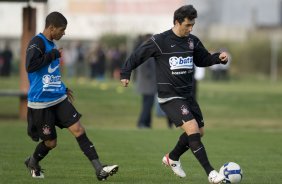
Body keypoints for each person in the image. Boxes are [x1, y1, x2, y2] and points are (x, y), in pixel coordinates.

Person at [120, 5, 229, 183]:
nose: (191, 28)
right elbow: (137, 56)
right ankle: (211, 173)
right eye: (187, 25)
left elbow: (202, 60)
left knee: (199, 132)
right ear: (177, 22)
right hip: (169, 96)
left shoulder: (192, 41)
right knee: (192, 129)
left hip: (187, 95)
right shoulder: (159, 41)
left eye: (193, 24)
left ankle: (172, 157)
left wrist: (218, 58)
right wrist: (125, 73)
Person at [24, 12, 118, 181]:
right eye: (62, 29)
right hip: (41, 103)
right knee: (51, 143)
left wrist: (63, 87)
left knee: (78, 129)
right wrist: (53, 55)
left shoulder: (52, 44)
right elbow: (31, 66)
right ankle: (32, 161)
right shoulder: (37, 42)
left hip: (58, 98)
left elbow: (49, 72)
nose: (64, 33)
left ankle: (99, 168)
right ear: (51, 28)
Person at [135, 34, 157, 129]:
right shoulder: (146, 49)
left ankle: (147, 123)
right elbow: (143, 66)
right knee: (147, 104)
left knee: (148, 104)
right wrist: (152, 75)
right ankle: (142, 123)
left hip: (148, 83)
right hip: (147, 83)